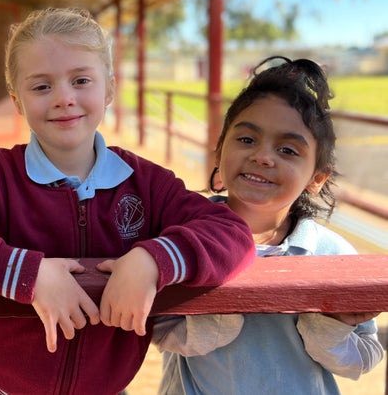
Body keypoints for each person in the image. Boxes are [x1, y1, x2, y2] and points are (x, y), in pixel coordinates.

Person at [0, 7, 256, 395]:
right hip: (0, 389)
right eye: (41, 87)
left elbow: (232, 232)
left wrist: (152, 261)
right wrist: (27, 276)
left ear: (110, 89)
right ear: (17, 101)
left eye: (81, 80)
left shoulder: (146, 183)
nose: (64, 98)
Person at [154, 56, 384, 394]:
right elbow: (159, 326)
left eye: (288, 150)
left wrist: (330, 329)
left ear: (317, 178)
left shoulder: (332, 256)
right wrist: (224, 307)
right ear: (219, 152)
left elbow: (365, 356)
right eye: (247, 140)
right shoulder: (183, 239)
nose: (263, 156)